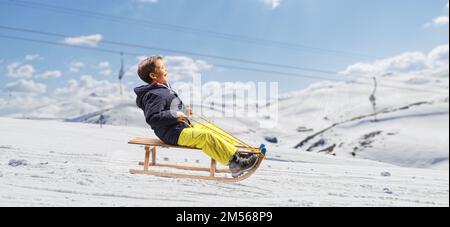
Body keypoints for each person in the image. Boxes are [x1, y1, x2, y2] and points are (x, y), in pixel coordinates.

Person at [134, 56, 258, 178]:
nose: (166, 70)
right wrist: (176, 115)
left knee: (210, 128)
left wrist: (184, 111)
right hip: (173, 133)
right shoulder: (155, 94)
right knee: (205, 137)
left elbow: (169, 108)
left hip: (180, 128)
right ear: (153, 76)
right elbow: (153, 118)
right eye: (162, 67)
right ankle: (235, 164)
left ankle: (238, 154)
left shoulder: (163, 89)